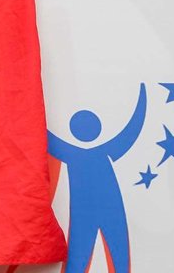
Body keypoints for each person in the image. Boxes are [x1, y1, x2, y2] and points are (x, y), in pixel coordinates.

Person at [48, 84, 146, 273]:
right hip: (92, 211)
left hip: (99, 210)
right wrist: (143, 101)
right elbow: (130, 133)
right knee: (93, 254)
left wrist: (143, 100)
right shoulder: (100, 153)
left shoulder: (72, 154)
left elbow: (130, 132)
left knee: (104, 253)